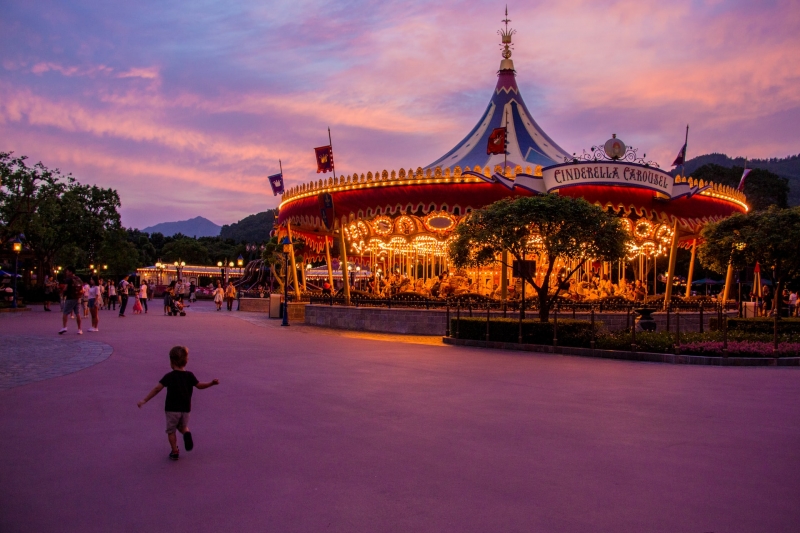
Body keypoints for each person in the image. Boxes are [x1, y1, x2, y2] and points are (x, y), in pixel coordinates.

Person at [137, 346, 219, 460]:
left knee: (171, 431)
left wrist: (144, 400)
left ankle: (175, 451)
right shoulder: (189, 375)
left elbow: (157, 389)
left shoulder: (169, 377)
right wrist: (211, 383)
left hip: (172, 409)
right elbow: (199, 386)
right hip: (186, 409)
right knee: (183, 426)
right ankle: (186, 433)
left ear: (172, 362)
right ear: (186, 361)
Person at [58, 267, 83, 335]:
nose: (66, 272)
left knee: (65, 312)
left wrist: (62, 291)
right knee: (77, 313)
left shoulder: (68, 279)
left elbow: (65, 288)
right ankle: (79, 329)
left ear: (71, 272)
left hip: (70, 298)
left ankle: (64, 327)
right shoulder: (78, 278)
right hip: (78, 297)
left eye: (67, 271)